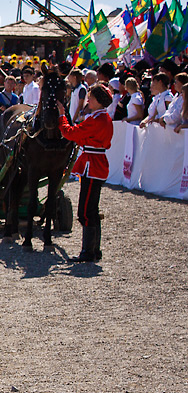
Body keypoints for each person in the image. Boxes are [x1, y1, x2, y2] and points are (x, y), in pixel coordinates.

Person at [56, 85, 114, 263]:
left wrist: (61, 116)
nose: (88, 100)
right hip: (95, 162)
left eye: (92, 98)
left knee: (86, 211)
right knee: (91, 210)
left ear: (99, 100)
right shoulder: (101, 118)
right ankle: (94, 250)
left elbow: (70, 133)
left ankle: (88, 252)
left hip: (92, 165)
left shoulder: (96, 119)